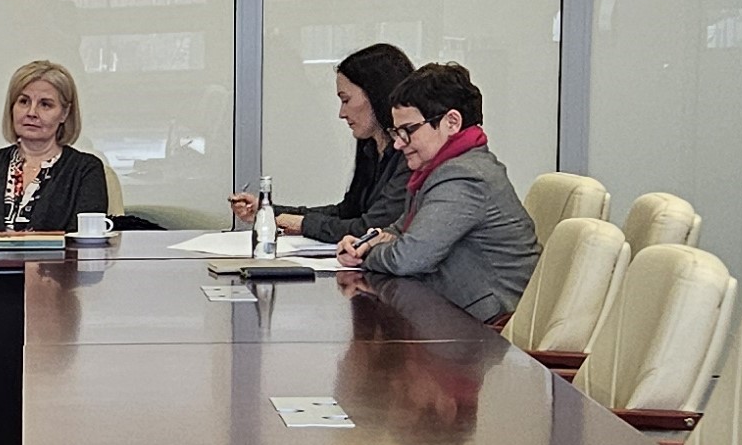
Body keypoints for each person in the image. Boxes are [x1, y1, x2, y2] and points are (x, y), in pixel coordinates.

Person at [339, 63, 542, 322]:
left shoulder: (464, 177)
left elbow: (407, 258)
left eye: (408, 131)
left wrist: (366, 254)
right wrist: (366, 241)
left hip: (487, 328)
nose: (399, 144)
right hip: (456, 314)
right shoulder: (440, 169)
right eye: (396, 132)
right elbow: (400, 231)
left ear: (451, 122)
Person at [231, 42, 413, 243]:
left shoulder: (411, 155)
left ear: (376, 95)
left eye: (346, 100)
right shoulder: (370, 148)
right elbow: (347, 212)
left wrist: (303, 224)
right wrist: (268, 211)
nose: (342, 113)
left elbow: (370, 228)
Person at [0, 59, 111, 233]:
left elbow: (86, 240)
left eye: (45, 104)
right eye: (24, 102)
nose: (31, 113)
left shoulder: (85, 170)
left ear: (64, 113)